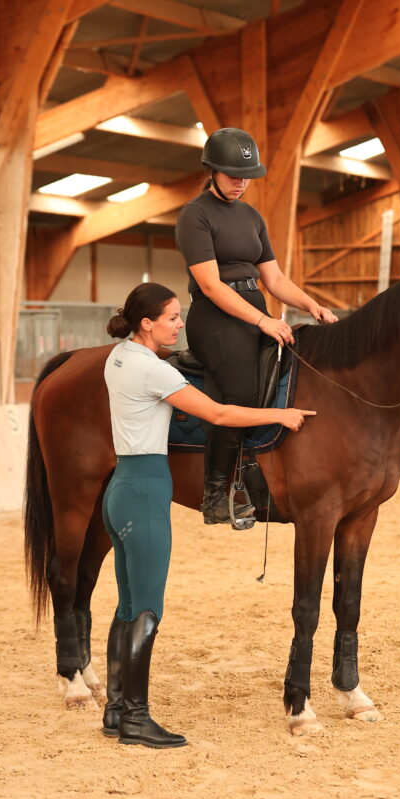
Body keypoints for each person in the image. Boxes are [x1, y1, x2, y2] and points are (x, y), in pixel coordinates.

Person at [102, 281, 315, 750]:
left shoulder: (118, 356)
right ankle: (135, 719)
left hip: (120, 490)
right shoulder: (151, 369)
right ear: (146, 324)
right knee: (148, 610)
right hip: (146, 489)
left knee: (127, 606)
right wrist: (278, 416)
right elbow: (217, 415)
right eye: (172, 318)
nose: (180, 326)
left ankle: (117, 709)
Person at [175, 127, 338, 525]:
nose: (241, 183)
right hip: (215, 317)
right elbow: (211, 285)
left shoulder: (252, 217)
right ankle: (216, 493)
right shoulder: (195, 215)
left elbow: (275, 280)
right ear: (212, 171)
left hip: (254, 308)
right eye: (233, 175)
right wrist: (264, 321)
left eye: (246, 176)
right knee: (240, 391)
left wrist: (312, 305)